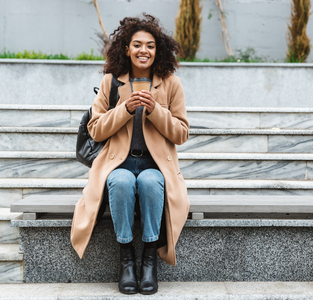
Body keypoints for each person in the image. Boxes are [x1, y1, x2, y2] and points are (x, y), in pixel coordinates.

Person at [70, 13, 190, 295]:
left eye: (150, 45)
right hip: (119, 163)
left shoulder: (171, 83)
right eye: (137, 45)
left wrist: (154, 111)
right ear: (127, 48)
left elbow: (182, 133)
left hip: (155, 165)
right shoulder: (112, 83)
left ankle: (149, 261)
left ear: (157, 49)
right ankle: (127, 261)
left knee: (150, 182)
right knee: (121, 182)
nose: (143, 51)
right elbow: (96, 130)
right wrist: (123, 110)